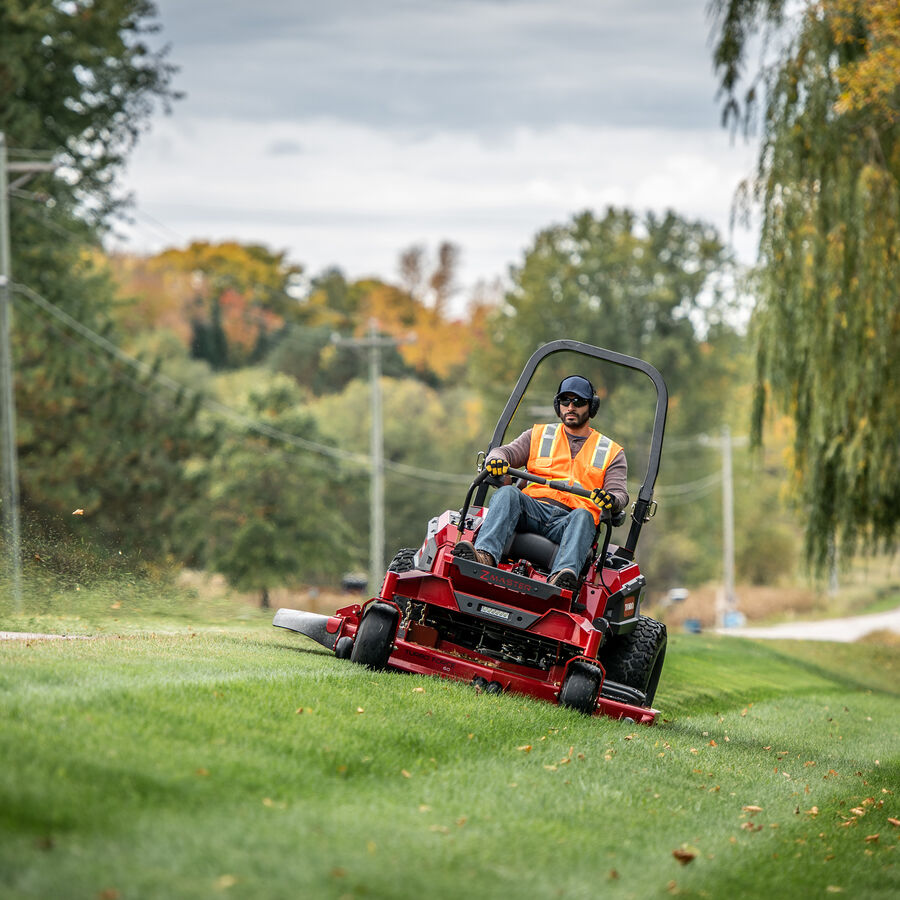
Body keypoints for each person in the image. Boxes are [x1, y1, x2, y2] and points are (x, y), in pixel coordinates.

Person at [454, 374, 628, 594]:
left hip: (571, 520)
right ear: (558, 405)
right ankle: (484, 557)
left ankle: (562, 578)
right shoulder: (538, 435)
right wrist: (495, 460)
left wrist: (611, 500)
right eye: (565, 401)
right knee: (508, 493)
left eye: (578, 402)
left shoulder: (611, 452)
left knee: (584, 517)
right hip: (531, 510)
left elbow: (619, 493)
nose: (571, 407)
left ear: (591, 407)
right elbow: (504, 452)